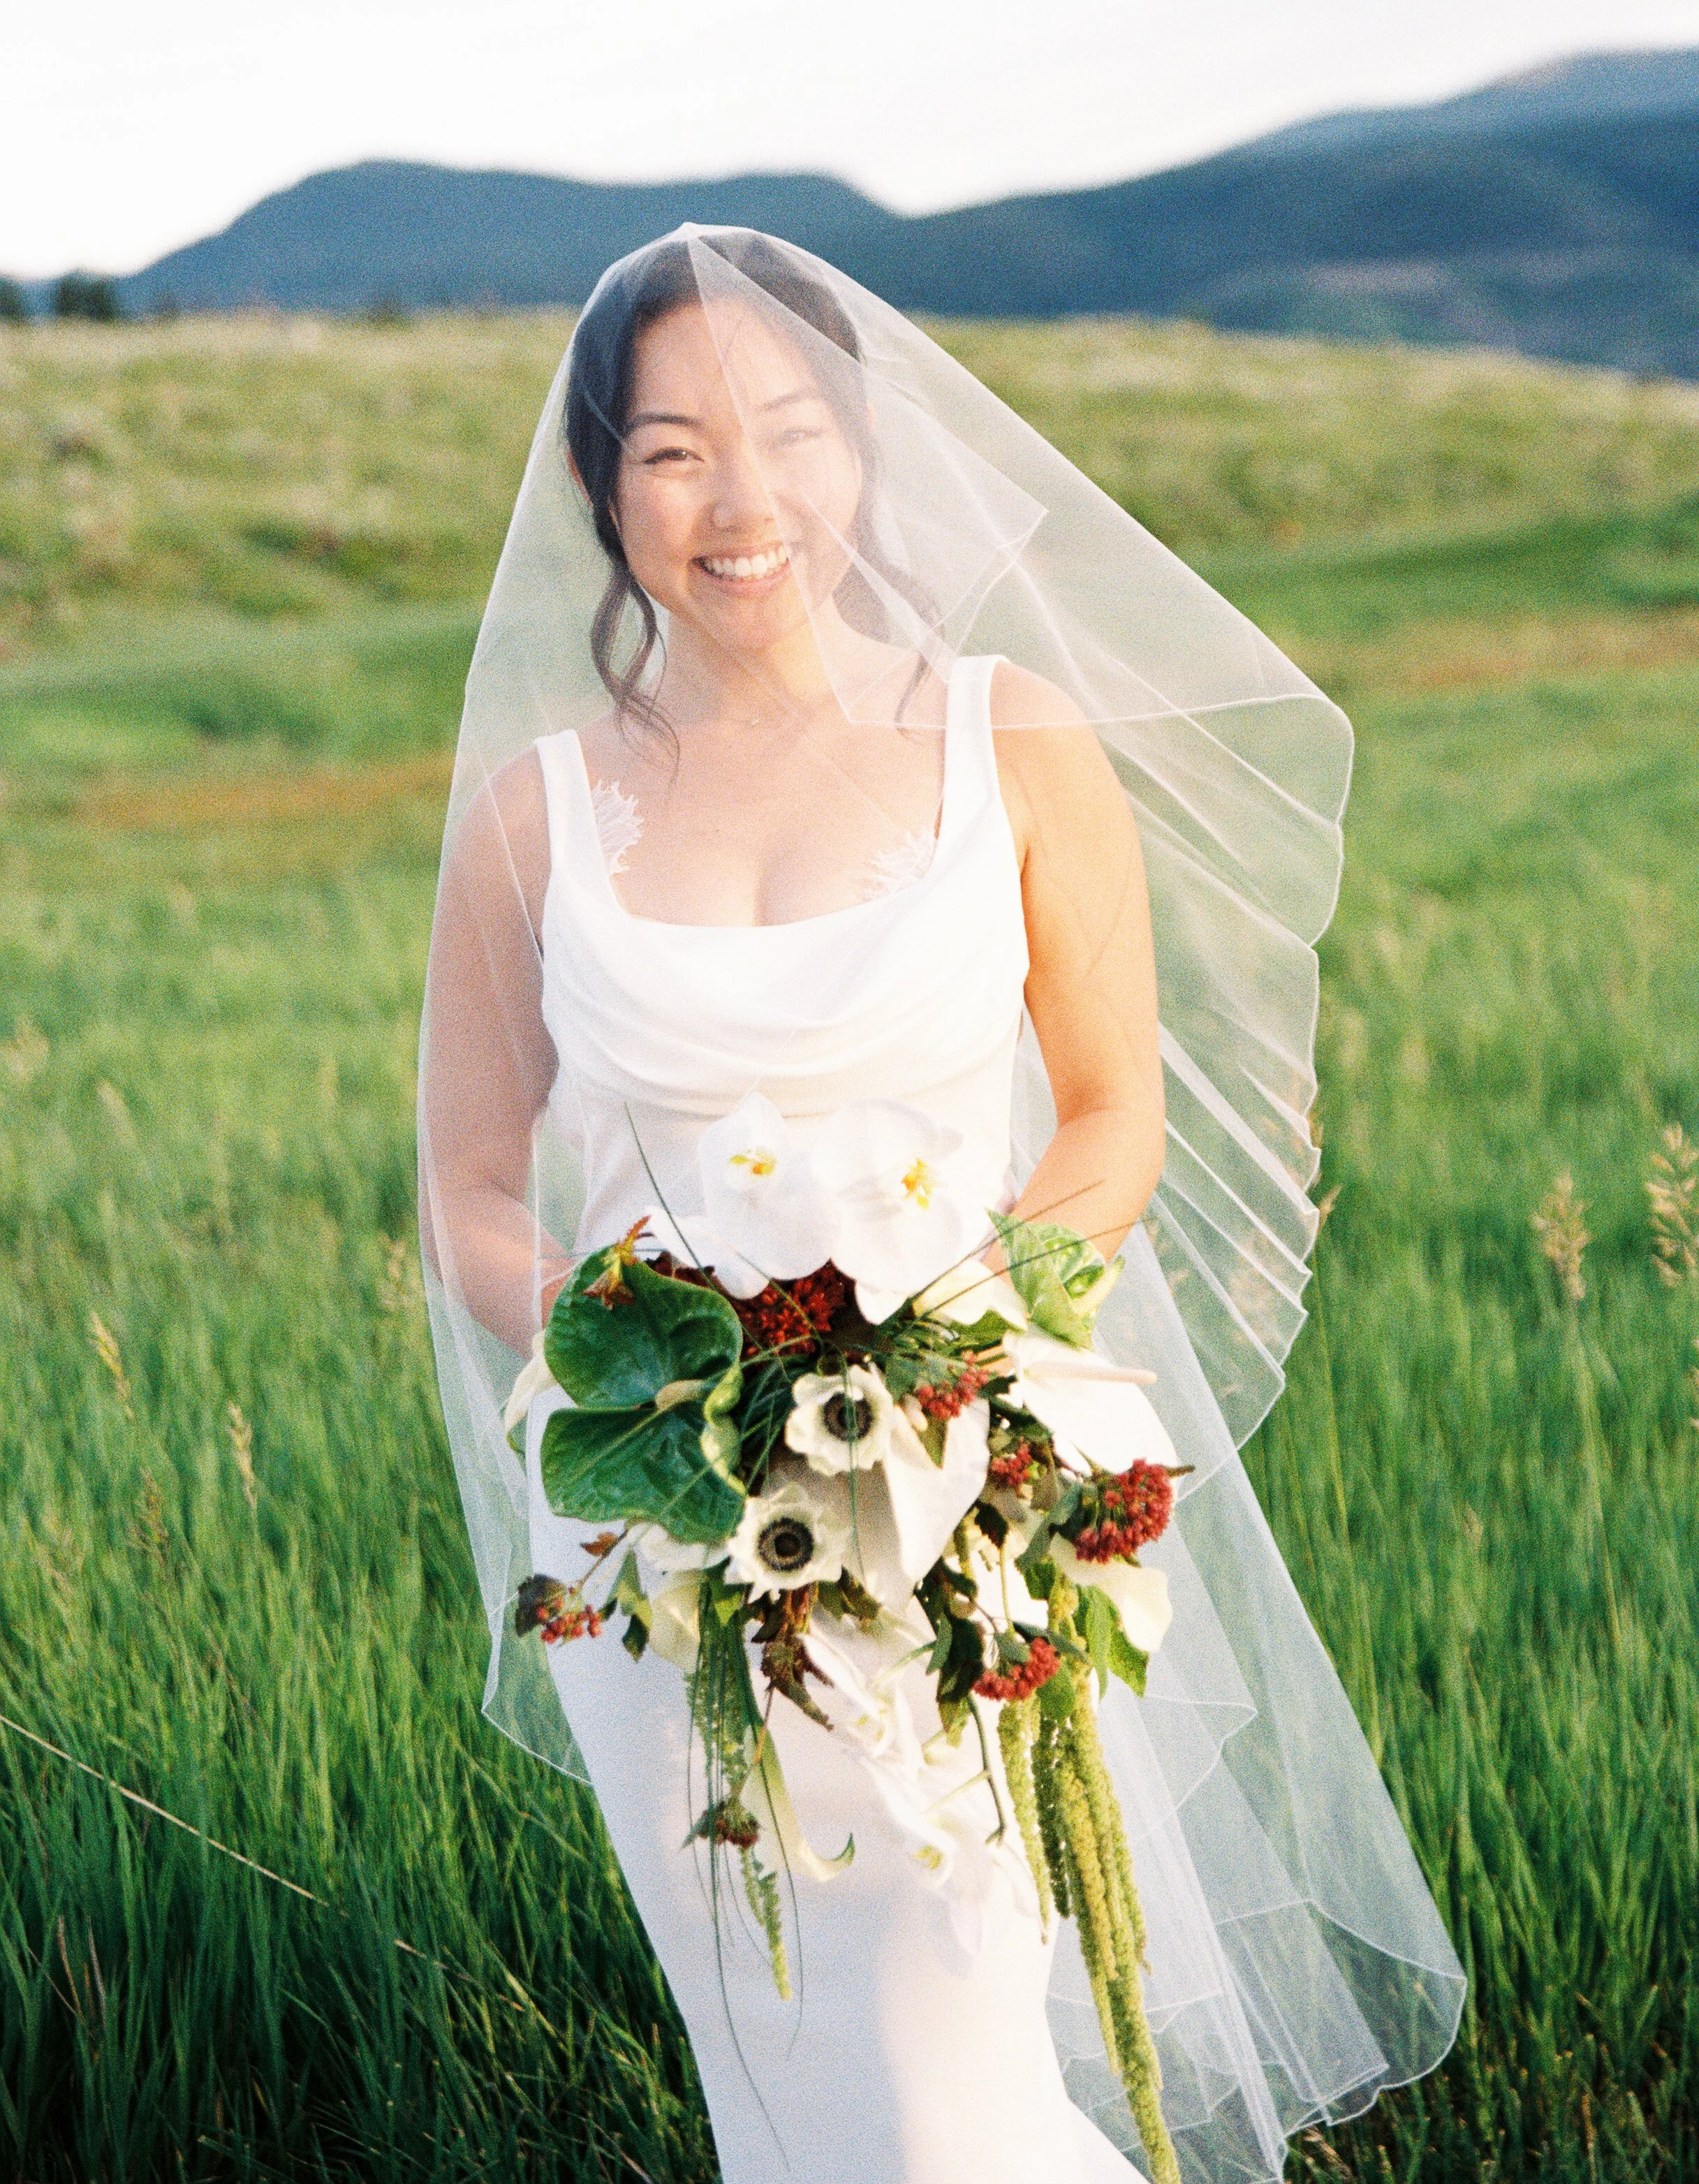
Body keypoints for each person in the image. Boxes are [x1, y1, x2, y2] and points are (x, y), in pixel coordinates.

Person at [418, 228, 1464, 2184]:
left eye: (789, 431)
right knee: (787, 2077)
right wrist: (641, 1374)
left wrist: (943, 1358)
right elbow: (474, 1186)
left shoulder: (1012, 739)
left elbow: (1111, 1117)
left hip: (955, 1495)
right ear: (596, 488)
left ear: (866, 447)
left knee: (946, 2078)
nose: (742, 500)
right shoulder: (537, 814)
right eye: (673, 453)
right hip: (656, 1537)